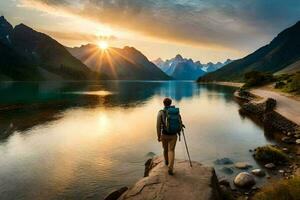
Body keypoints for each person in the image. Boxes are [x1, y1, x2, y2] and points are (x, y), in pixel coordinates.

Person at [156, 97, 183, 175]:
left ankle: (167, 162)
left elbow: (158, 126)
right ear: (170, 103)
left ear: (163, 103)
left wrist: (158, 136)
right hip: (174, 135)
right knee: (171, 150)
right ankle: (171, 167)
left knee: (165, 149)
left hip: (164, 135)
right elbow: (180, 122)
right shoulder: (175, 112)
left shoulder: (161, 112)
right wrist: (179, 131)